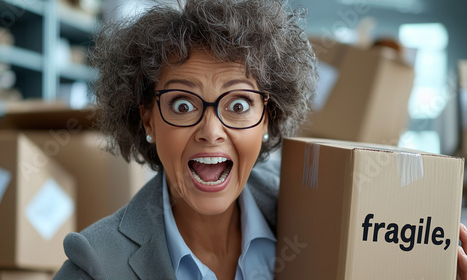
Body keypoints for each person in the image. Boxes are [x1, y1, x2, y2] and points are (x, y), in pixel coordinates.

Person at [54, 0, 467, 279]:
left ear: (268, 116)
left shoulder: (329, 216)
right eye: (182, 105)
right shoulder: (95, 266)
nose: (211, 131)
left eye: (238, 105)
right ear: (147, 118)